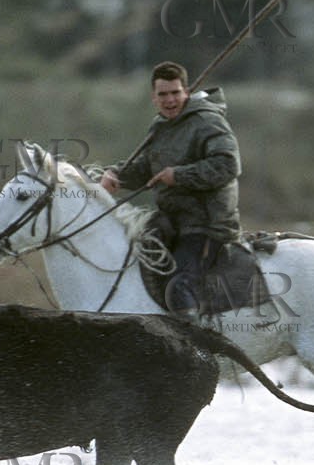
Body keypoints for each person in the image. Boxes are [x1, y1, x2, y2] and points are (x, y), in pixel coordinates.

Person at [100, 62, 242, 321]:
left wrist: (178, 175)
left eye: (175, 93)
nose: (170, 100)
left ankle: (194, 350)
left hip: (206, 224)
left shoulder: (207, 121)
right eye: (163, 95)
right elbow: (145, 168)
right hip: (171, 222)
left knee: (179, 286)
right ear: (154, 98)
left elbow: (228, 165)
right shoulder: (161, 126)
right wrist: (115, 175)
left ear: (186, 92)